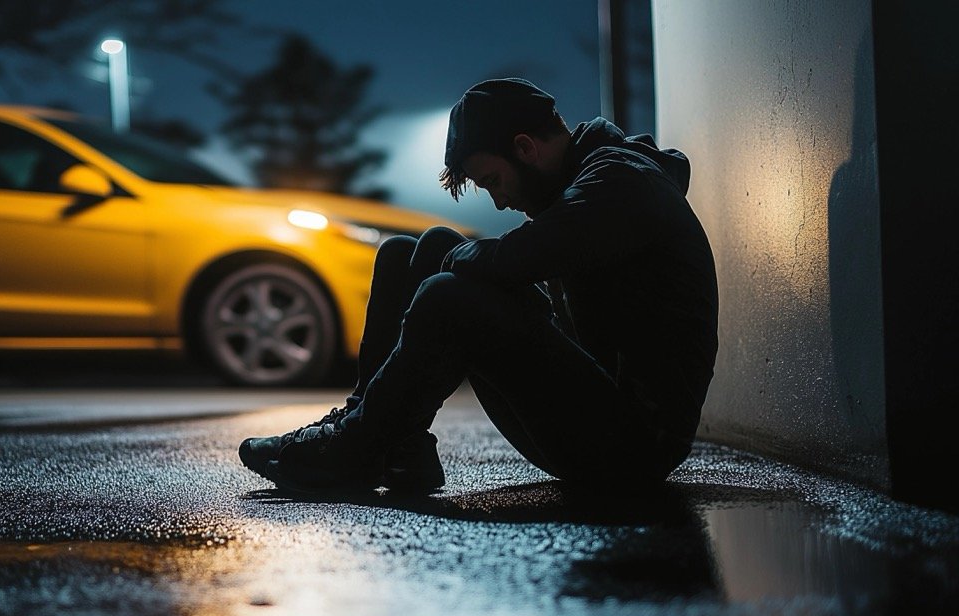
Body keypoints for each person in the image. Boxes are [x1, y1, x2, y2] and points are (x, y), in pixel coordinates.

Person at [239, 77, 719, 495]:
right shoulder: (589, 183)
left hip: (632, 449)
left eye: (493, 180)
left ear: (525, 148)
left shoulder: (621, 180)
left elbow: (523, 255)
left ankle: (359, 445)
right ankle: (392, 445)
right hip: (594, 415)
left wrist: (460, 267)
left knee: (448, 293)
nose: (499, 201)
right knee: (416, 251)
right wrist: (452, 259)